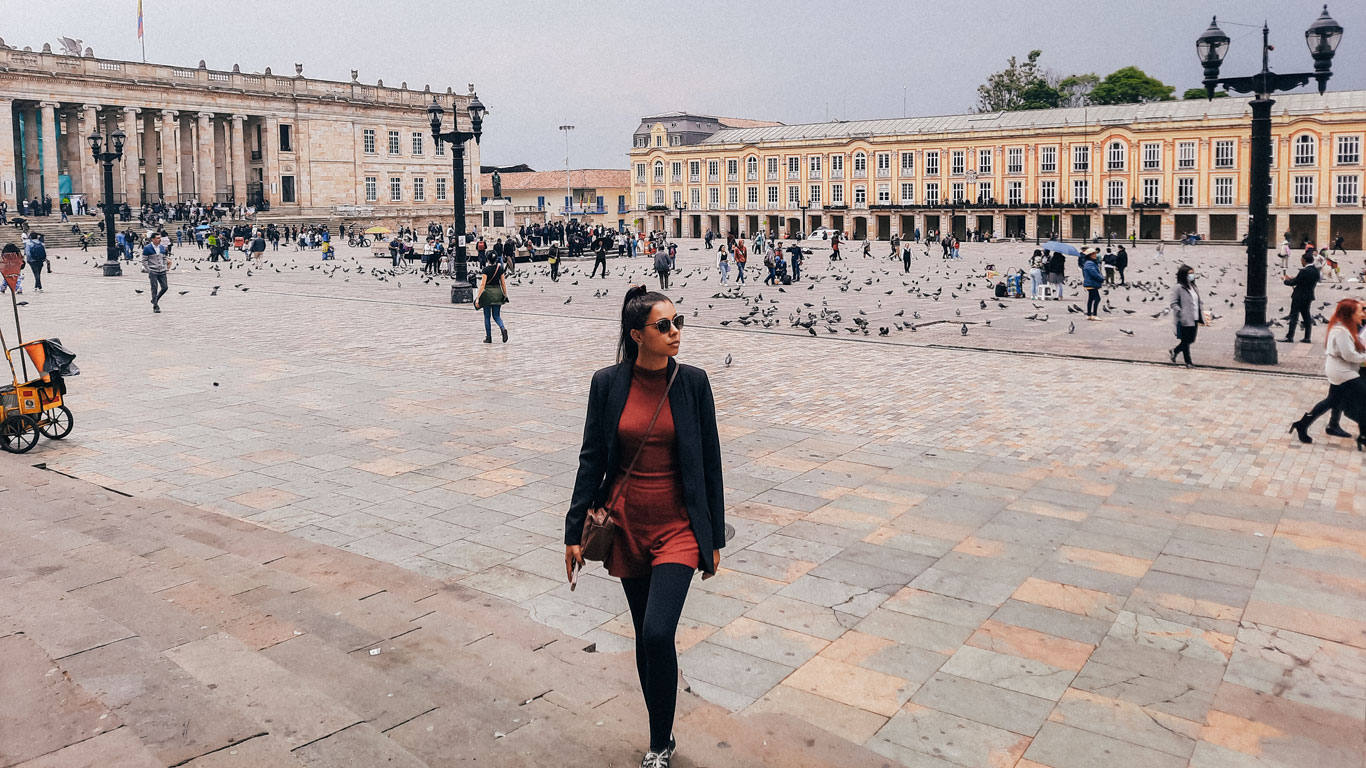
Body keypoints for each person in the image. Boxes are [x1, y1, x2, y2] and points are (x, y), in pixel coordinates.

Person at [564, 286, 724, 768]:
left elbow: (710, 463)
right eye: (664, 326)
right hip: (628, 524)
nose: (676, 332)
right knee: (643, 635)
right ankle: (661, 738)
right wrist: (573, 531)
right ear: (637, 335)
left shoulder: (693, 382)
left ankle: (659, 742)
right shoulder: (608, 383)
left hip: (678, 527)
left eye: (678, 322)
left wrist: (712, 538)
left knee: (658, 633)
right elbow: (592, 458)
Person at [1289, 298, 1366, 447]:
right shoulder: (1341, 331)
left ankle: (1302, 424)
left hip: (1339, 370)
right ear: (1349, 314)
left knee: (1331, 401)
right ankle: (1363, 435)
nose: (1361, 314)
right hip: (1343, 372)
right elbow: (1348, 355)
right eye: (1359, 311)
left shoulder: (1344, 328)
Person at [1168, 264, 1204, 367]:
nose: (1192, 275)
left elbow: (1197, 301)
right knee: (1185, 341)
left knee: (1190, 339)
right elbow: (1173, 303)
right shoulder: (1178, 287)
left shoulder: (1193, 287)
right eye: (1190, 274)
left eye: (1193, 273)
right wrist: (1180, 312)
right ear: (1183, 275)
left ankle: (1174, 351)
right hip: (1184, 318)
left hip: (1195, 317)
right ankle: (1188, 362)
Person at [1282, 252, 1320, 344]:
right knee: (1306, 316)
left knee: (1294, 316)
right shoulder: (1316, 271)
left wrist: (1285, 280)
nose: (1301, 262)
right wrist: (1294, 278)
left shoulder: (1304, 271)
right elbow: (1302, 280)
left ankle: (1290, 336)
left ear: (1304, 260)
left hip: (1299, 296)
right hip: (1308, 296)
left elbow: (1294, 283)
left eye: (1301, 260)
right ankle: (1307, 337)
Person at [473, 258, 509, 344]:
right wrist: (505, 294)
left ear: (488, 260)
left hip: (488, 295)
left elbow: (482, 284)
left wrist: (478, 297)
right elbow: (503, 283)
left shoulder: (486, 270)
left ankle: (488, 337)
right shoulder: (500, 269)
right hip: (497, 293)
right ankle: (503, 328)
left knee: (487, 316)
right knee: (496, 316)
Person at [142, 231, 171, 313]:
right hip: (153, 270)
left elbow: (164, 258)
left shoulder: (162, 247)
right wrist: (149, 270)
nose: (160, 240)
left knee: (165, 287)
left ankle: (155, 299)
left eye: (160, 238)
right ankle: (155, 306)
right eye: (158, 238)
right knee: (154, 288)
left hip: (162, 270)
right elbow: (144, 260)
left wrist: (165, 266)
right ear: (152, 239)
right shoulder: (147, 248)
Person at [1082, 250, 1103, 320]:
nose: (1095, 255)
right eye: (1093, 254)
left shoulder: (1089, 262)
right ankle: (1094, 314)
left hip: (1090, 283)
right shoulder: (1090, 263)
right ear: (1090, 255)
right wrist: (1101, 278)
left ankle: (1089, 314)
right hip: (1091, 283)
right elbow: (1094, 273)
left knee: (1091, 298)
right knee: (1097, 298)